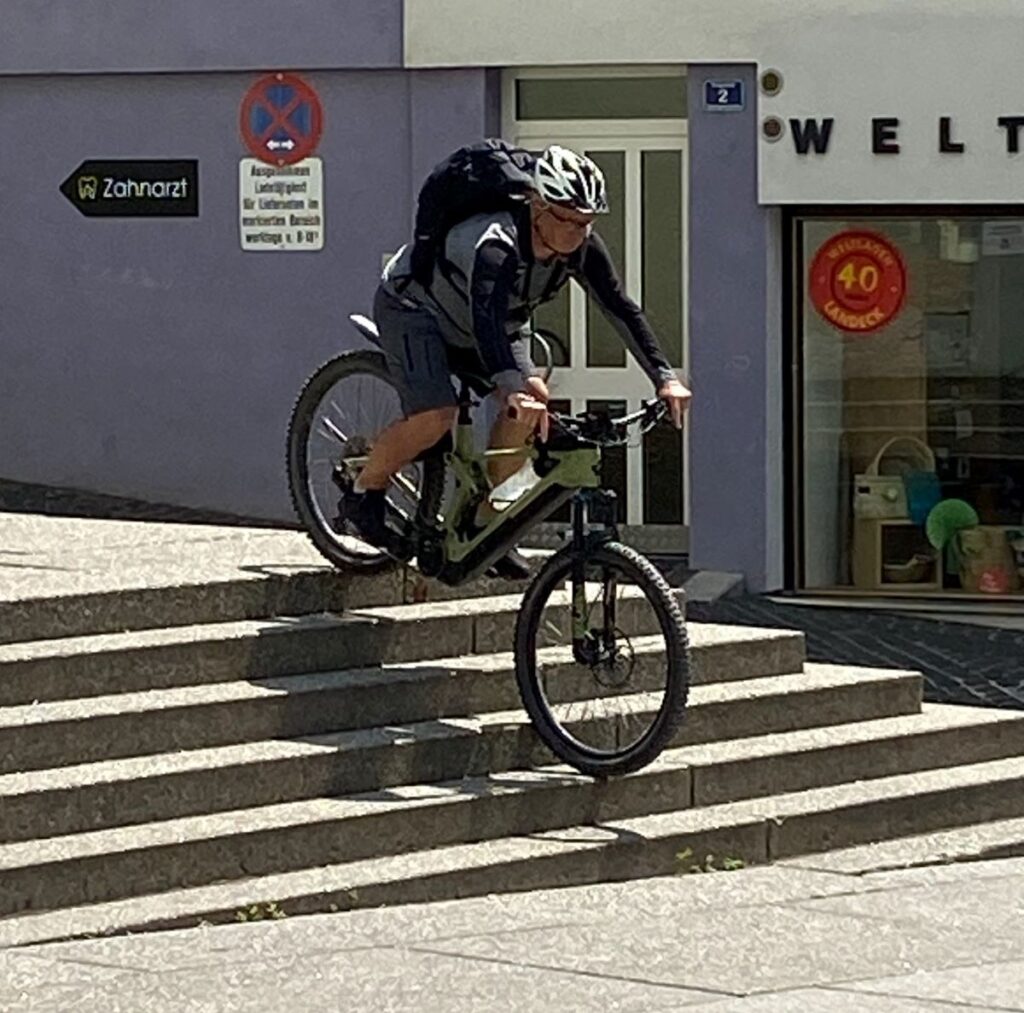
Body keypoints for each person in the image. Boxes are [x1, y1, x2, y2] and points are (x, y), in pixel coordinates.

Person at [342, 143, 692, 579]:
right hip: (418, 311)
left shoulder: (581, 246)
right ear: (538, 206)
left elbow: (618, 307)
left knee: (536, 401)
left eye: (587, 222)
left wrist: (664, 377)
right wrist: (509, 387)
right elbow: (485, 319)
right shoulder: (496, 245)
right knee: (436, 416)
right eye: (568, 220)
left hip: (494, 324)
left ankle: (489, 524)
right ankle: (363, 492)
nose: (578, 234)